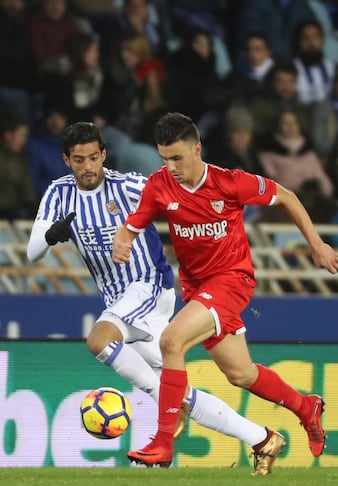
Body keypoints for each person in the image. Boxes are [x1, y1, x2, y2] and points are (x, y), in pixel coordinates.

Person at [27, 121, 285, 476]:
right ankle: (262, 438)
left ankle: (166, 404)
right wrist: (52, 235)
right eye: (78, 160)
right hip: (117, 298)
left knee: (99, 339)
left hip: (149, 286)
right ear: (66, 160)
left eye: (92, 158)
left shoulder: (131, 185)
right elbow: (31, 253)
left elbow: (183, 199)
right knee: (175, 388)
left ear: (104, 154)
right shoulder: (58, 194)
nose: (87, 167)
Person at [112, 112, 338, 468]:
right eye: (164, 158)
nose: (170, 166)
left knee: (171, 341)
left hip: (233, 280)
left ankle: (162, 443)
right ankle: (305, 406)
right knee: (241, 374)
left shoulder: (230, 182)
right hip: (199, 289)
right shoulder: (159, 185)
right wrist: (122, 242)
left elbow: (286, 196)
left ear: (197, 149)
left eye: (176, 157)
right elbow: (132, 224)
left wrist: (316, 244)